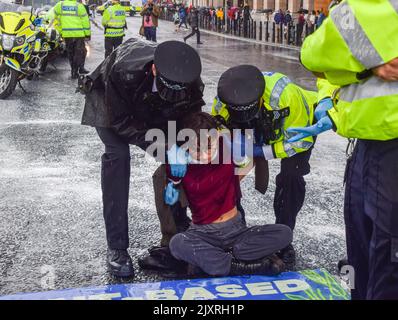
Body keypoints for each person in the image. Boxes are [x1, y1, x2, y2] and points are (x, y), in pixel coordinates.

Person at [287, 0, 398, 300]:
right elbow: (320, 64)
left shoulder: (360, 9)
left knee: (386, 266)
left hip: (387, 155)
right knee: (363, 259)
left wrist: (360, 65)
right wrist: (333, 102)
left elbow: (313, 55)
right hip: (368, 146)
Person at [79, 40, 206, 278]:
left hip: (158, 109)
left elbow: (192, 115)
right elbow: (121, 123)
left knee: (180, 158)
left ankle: (177, 229)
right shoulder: (125, 71)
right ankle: (117, 247)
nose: (174, 94)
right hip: (111, 105)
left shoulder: (189, 78)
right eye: (169, 88)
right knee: (118, 158)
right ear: (155, 70)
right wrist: (162, 147)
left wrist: (185, 148)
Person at [211, 65, 322, 267]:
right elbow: (222, 140)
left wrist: (262, 152)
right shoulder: (222, 102)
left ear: (260, 99)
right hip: (256, 130)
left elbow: (300, 142)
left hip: (297, 126)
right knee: (225, 175)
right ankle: (236, 233)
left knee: (291, 177)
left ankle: (284, 237)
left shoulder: (286, 97)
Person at [167, 112, 293, 277]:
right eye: (197, 149)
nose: (204, 154)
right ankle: (240, 265)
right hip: (202, 233)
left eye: (208, 146)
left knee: (284, 233)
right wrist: (172, 181)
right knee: (177, 244)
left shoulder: (228, 146)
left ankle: (218, 261)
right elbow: (171, 196)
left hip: (237, 231)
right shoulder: (179, 162)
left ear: (217, 136)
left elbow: (251, 155)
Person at [54, 0, 91, 79]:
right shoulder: (79, 6)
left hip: (67, 34)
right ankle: (75, 71)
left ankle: (77, 70)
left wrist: (60, 30)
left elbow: (55, 18)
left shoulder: (60, 5)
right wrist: (87, 34)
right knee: (79, 53)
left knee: (71, 53)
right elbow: (85, 21)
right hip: (79, 34)